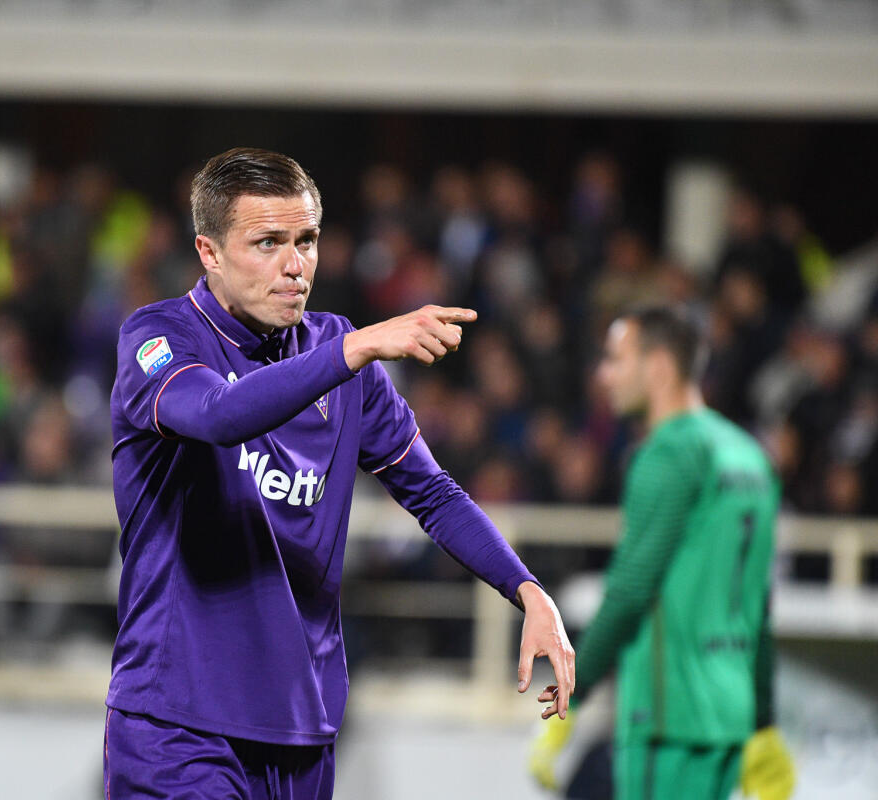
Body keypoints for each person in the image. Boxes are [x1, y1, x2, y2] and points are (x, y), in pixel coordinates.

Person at [105, 147, 575, 799]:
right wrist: (352, 350)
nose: (295, 266)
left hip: (302, 731)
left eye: (307, 241)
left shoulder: (339, 358)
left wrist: (526, 589)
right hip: (177, 728)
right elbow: (217, 414)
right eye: (267, 243)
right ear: (209, 252)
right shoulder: (159, 336)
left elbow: (433, 492)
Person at [530, 307, 796, 800]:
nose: (603, 375)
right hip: (730, 715)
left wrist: (571, 691)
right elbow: (758, 605)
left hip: (668, 716)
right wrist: (763, 721)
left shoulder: (667, 453)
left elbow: (630, 590)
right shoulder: (751, 457)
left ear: (658, 367)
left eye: (615, 360)